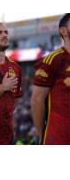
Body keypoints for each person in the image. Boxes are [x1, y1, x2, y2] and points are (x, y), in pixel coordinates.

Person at [31, 13, 70, 144]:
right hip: (59, 138)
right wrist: (41, 133)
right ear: (63, 31)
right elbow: (37, 100)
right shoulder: (52, 60)